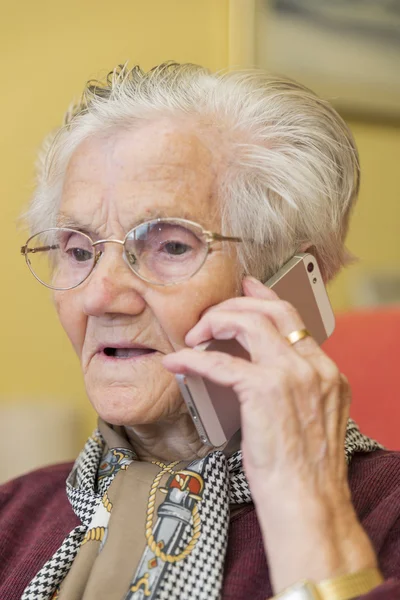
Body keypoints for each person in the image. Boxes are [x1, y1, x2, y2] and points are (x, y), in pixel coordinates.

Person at [1, 62, 399, 600]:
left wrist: (309, 511)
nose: (98, 295)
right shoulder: (12, 514)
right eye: (77, 251)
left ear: (287, 284)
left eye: (169, 246)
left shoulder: (386, 511)